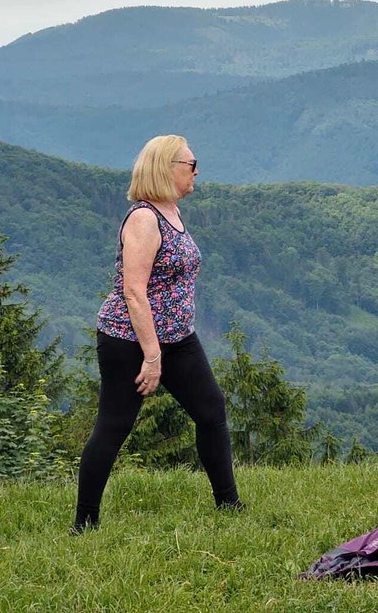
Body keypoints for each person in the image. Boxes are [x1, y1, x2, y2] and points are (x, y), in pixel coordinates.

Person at [73, 135, 241, 533]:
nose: (196, 170)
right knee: (114, 426)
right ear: (166, 168)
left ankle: (229, 505)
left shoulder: (173, 212)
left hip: (178, 337)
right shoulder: (144, 219)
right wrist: (151, 356)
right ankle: (84, 523)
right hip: (128, 340)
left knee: (211, 411)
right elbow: (134, 290)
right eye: (190, 163)